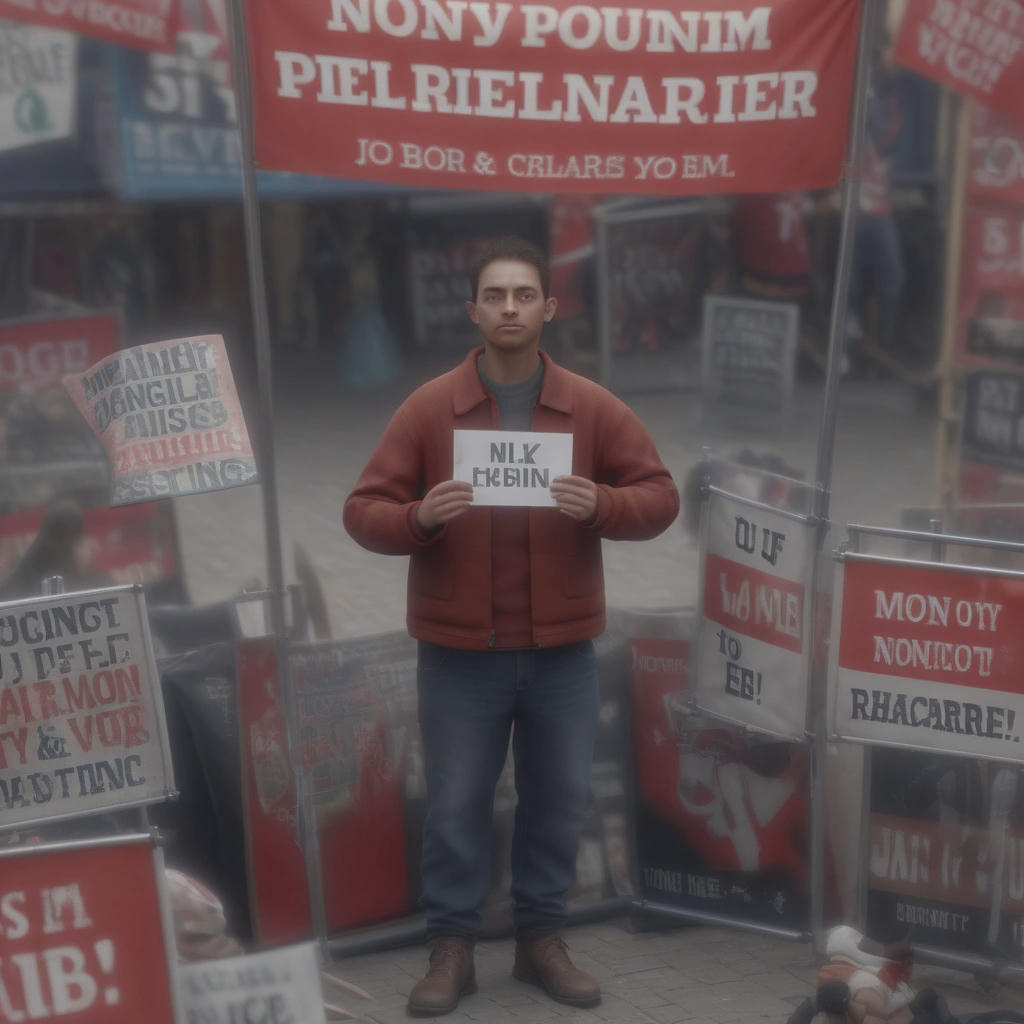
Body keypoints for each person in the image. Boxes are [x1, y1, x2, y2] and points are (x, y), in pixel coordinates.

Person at [343, 236, 679, 1016]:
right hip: (459, 654)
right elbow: (363, 512)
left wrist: (605, 504)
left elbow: (659, 495)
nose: (509, 309)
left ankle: (540, 941)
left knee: (557, 798)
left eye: (524, 295)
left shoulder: (592, 406)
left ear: (549, 308)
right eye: (494, 296)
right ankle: (451, 948)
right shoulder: (430, 407)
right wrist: (419, 518)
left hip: (562, 653)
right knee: (456, 801)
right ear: (472, 310)